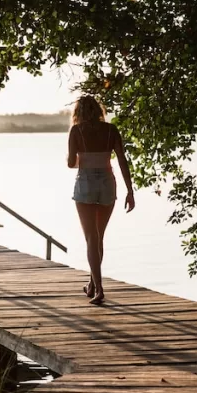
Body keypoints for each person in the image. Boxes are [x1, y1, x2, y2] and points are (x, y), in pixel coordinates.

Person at [67, 94, 135, 305]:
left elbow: (71, 163)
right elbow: (122, 160)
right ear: (98, 110)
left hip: (86, 182)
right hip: (107, 181)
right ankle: (92, 285)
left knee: (91, 238)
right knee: (98, 237)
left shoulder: (76, 131)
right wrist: (130, 190)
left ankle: (99, 288)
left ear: (78, 112)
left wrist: (81, 158)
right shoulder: (111, 130)